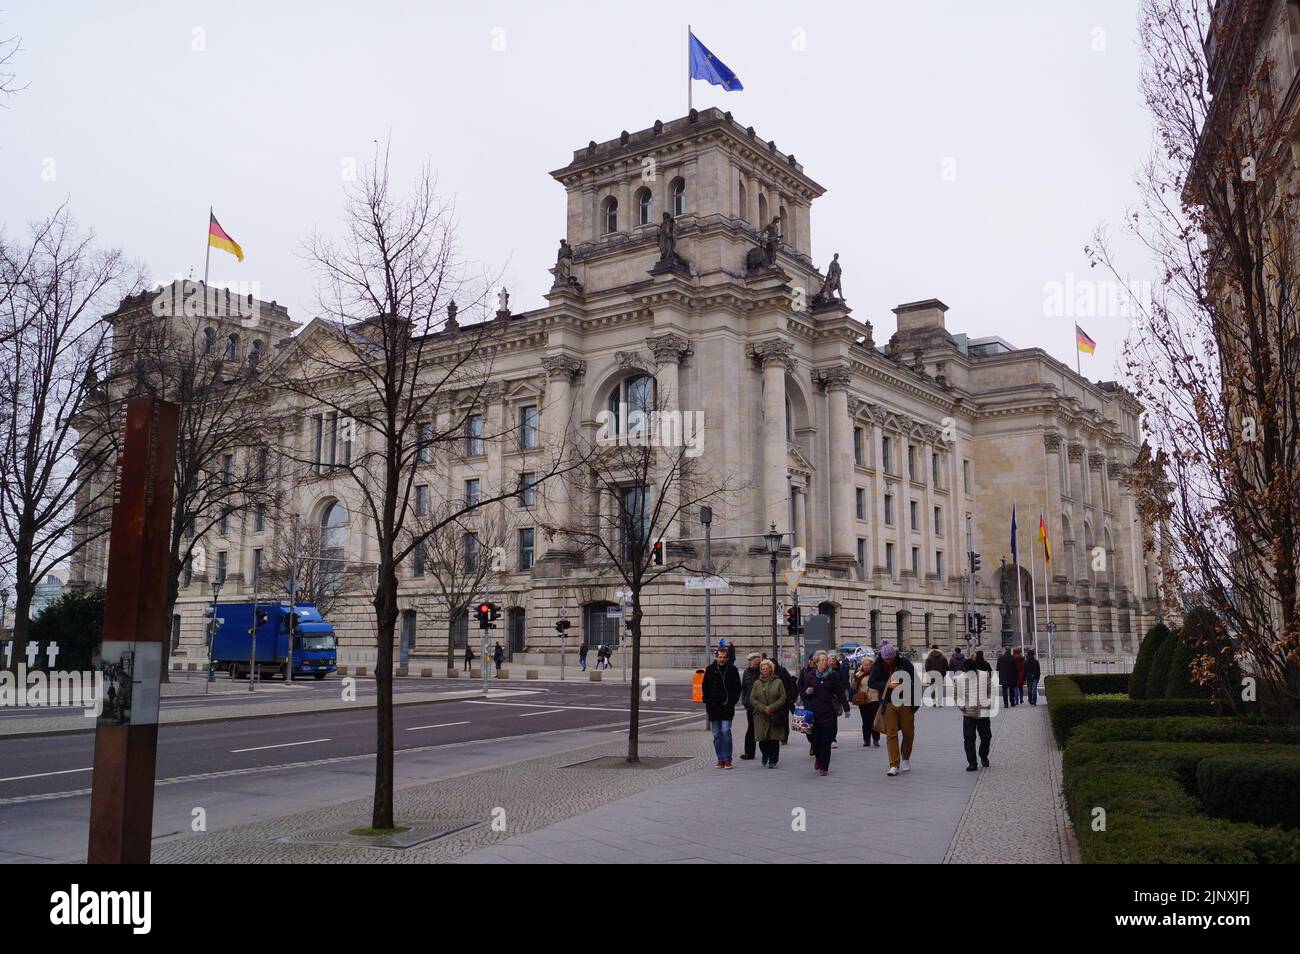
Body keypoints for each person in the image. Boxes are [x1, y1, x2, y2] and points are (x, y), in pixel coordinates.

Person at [868, 641, 920, 776]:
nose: (889, 661)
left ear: (895, 656)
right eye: (887, 659)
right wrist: (887, 685)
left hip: (906, 702)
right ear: (883, 657)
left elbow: (916, 680)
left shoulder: (904, 663)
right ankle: (893, 765)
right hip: (888, 703)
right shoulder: (878, 665)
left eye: (891, 658)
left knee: (909, 733)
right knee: (891, 734)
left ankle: (906, 758)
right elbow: (871, 682)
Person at [797, 650, 850, 776]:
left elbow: (840, 692)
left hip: (827, 712)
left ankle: (824, 767)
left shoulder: (833, 675)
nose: (825, 662)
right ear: (816, 662)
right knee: (814, 740)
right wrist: (807, 692)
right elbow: (803, 694)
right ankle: (817, 757)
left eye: (826, 660)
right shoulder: (810, 675)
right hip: (813, 712)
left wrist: (846, 708)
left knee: (826, 741)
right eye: (822, 660)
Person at [701, 647, 742, 768]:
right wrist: (708, 702)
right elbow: (705, 687)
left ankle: (727, 758)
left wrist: (732, 702)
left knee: (725, 731)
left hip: (727, 707)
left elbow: (737, 688)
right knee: (716, 735)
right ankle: (720, 758)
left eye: (724, 657)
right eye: (720, 657)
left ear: (727, 658)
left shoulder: (732, 670)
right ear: (716, 657)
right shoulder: (710, 669)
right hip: (714, 707)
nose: (722, 659)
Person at [953, 656, 994, 770]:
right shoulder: (960, 678)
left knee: (986, 737)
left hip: (983, 712)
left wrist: (988, 703)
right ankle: (972, 762)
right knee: (969, 739)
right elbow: (957, 695)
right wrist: (962, 706)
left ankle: (983, 755)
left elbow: (990, 691)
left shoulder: (984, 675)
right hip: (968, 714)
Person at [750, 658, 788, 767]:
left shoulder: (778, 682)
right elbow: (752, 699)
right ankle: (765, 754)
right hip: (760, 715)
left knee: (773, 739)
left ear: (771, 669)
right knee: (762, 739)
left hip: (774, 714)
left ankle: (773, 760)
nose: (765, 670)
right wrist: (762, 708)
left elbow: (783, 697)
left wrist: (771, 707)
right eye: (763, 669)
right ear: (761, 670)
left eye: (767, 669)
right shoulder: (757, 683)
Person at [853, 656, 881, 747]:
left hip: (874, 699)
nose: (866, 666)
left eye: (868, 665)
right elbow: (853, 687)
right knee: (865, 721)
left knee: (874, 720)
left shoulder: (876, 673)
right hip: (863, 700)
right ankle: (866, 740)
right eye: (865, 665)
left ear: (872, 665)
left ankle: (876, 739)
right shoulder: (858, 674)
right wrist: (855, 679)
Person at [740, 651, 762, 760]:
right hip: (750, 706)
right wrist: (745, 701)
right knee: (751, 729)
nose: (757, 660)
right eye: (754, 659)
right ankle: (749, 752)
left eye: (758, 658)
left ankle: (766, 753)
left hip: (761, 706)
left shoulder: (763, 671)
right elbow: (743, 688)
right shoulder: (746, 673)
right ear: (750, 661)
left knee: (762, 729)